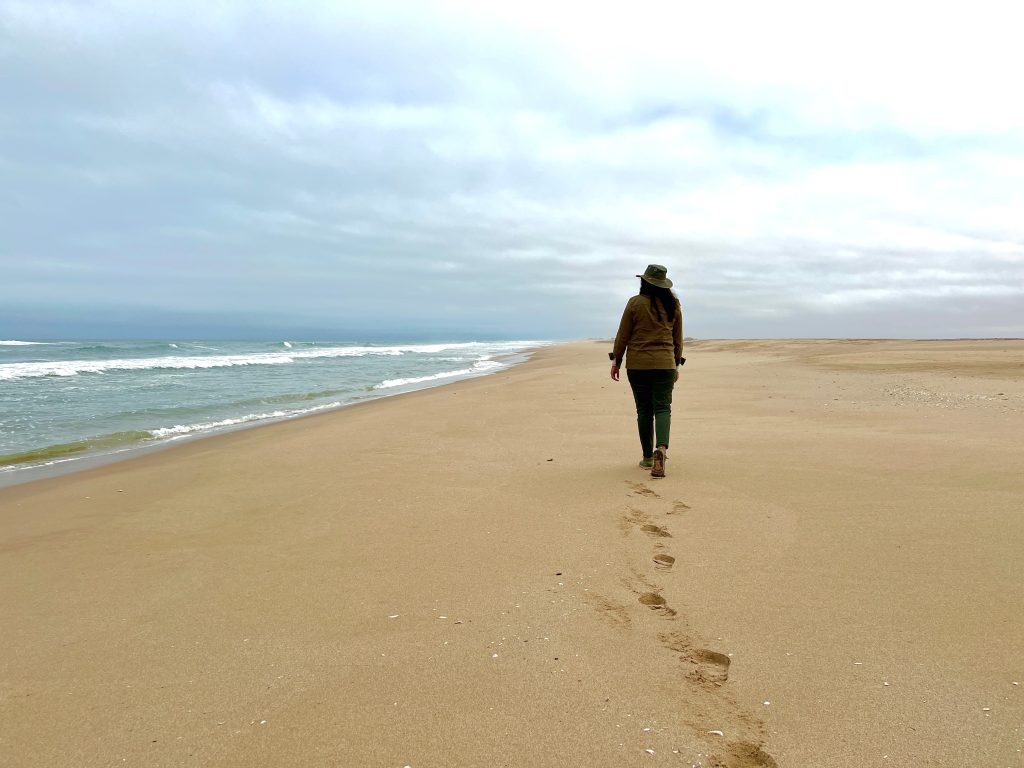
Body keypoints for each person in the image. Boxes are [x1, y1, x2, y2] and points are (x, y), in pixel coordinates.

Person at [610, 264, 684, 478]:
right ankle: (661, 449)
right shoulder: (674, 304)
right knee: (663, 407)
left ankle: (647, 457)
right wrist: (676, 363)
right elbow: (677, 338)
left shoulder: (635, 303)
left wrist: (616, 360)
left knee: (644, 410)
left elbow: (622, 334)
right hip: (665, 364)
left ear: (645, 282)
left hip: (638, 365)